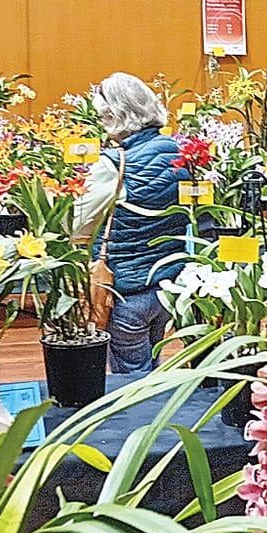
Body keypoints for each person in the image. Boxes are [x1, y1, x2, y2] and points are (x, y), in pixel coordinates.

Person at [74, 73, 187, 374]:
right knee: (152, 363)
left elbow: (76, 226)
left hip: (126, 291)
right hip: (168, 286)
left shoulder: (113, 164)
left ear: (116, 116)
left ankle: (146, 422)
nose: (102, 125)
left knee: (132, 380)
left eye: (103, 117)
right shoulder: (178, 151)